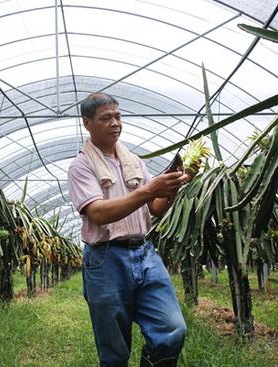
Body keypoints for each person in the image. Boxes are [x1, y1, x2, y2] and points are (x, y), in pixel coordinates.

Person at [67, 92, 193, 367]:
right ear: (87, 123)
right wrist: (149, 189)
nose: (115, 123)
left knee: (172, 329)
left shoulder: (134, 162)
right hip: (106, 259)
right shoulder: (81, 166)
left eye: (118, 116)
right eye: (105, 118)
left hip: (145, 253)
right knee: (114, 350)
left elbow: (155, 208)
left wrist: (171, 188)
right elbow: (98, 213)